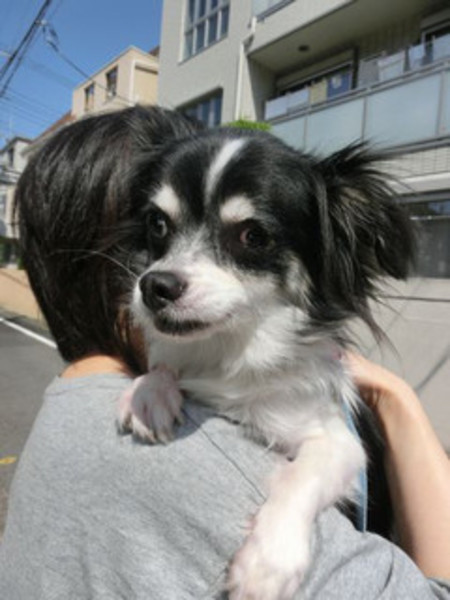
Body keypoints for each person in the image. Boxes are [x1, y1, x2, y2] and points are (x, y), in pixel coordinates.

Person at [0, 105, 449, 600]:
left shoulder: (65, 413)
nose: (170, 269)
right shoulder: (195, 465)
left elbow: (334, 447)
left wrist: (294, 505)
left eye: (251, 237)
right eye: (160, 227)